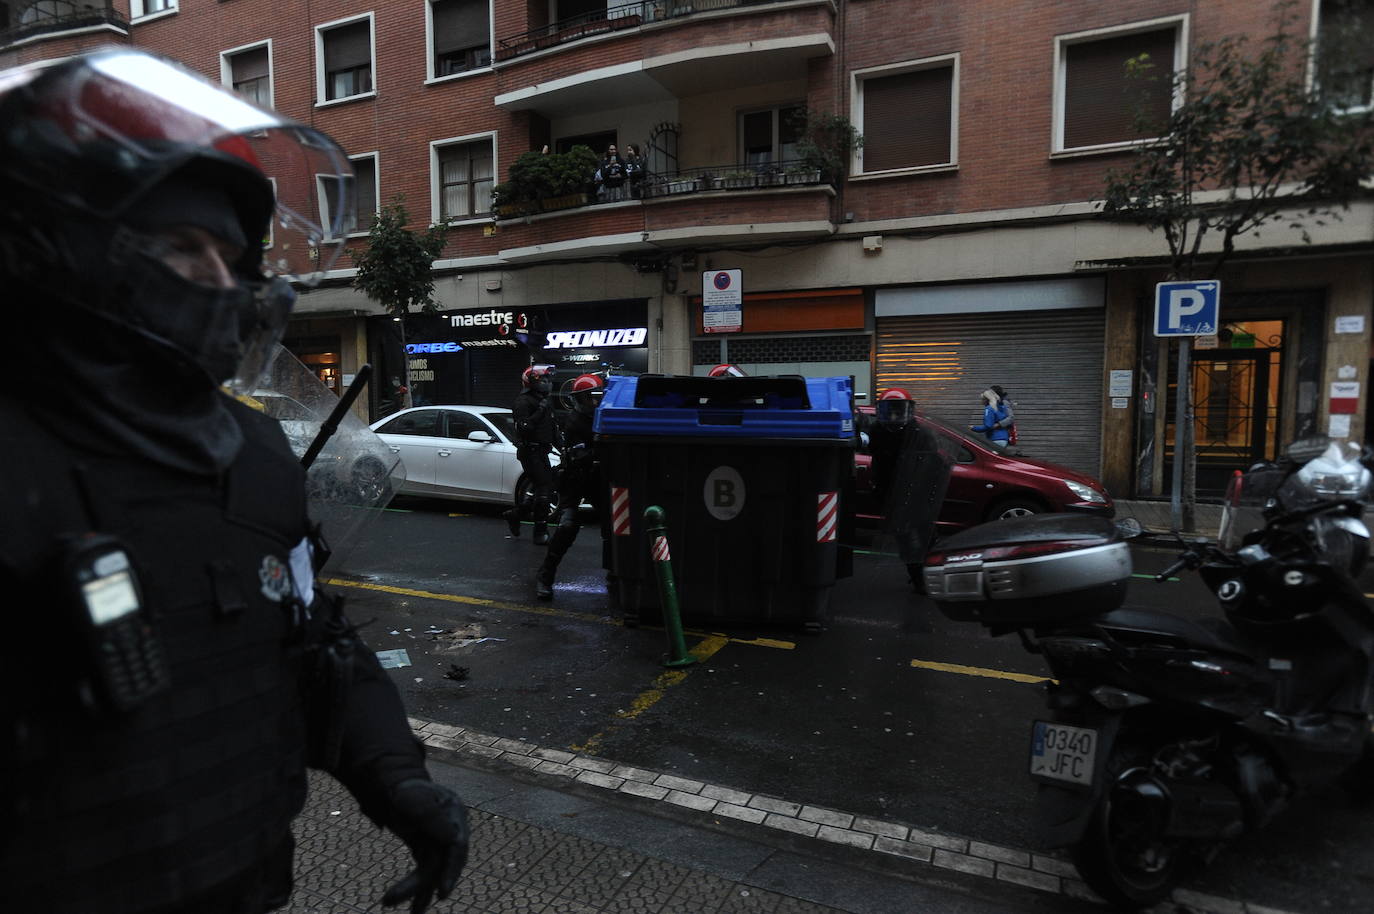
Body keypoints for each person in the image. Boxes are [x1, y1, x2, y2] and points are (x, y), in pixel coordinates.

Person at [0, 49, 469, 914]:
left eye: (235, 259)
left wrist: (396, 778)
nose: (225, 288)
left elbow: (308, 643)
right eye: (184, 249)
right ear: (57, 247)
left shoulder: (249, 454)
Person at [536, 373, 606, 600]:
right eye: (588, 398)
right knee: (567, 527)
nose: (591, 402)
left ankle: (616, 574)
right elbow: (581, 455)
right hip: (576, 478)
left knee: (614, 525)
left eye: (594, 397)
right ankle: (545, 576)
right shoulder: (576, 420)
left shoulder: (603, 415)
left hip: (598, 478)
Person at [505, 364, 557, 545]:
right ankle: (540, 531)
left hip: (542, 451)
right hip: (530, 451)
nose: (546, 384)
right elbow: (525, 428)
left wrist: (564, 449)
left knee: (543, 488)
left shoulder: (544, 400)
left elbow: (551, 428)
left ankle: (515, 514)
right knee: (544, 487)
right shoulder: (523, 402)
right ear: (531, 382)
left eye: (547, 380)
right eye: (542, 380)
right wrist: (540, 411)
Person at [971, 386, 1013, 451]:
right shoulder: (1000, 406)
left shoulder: (992, 407)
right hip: (1002, 438)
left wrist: (973, 428)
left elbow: (1010, 418)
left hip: (996, 438)